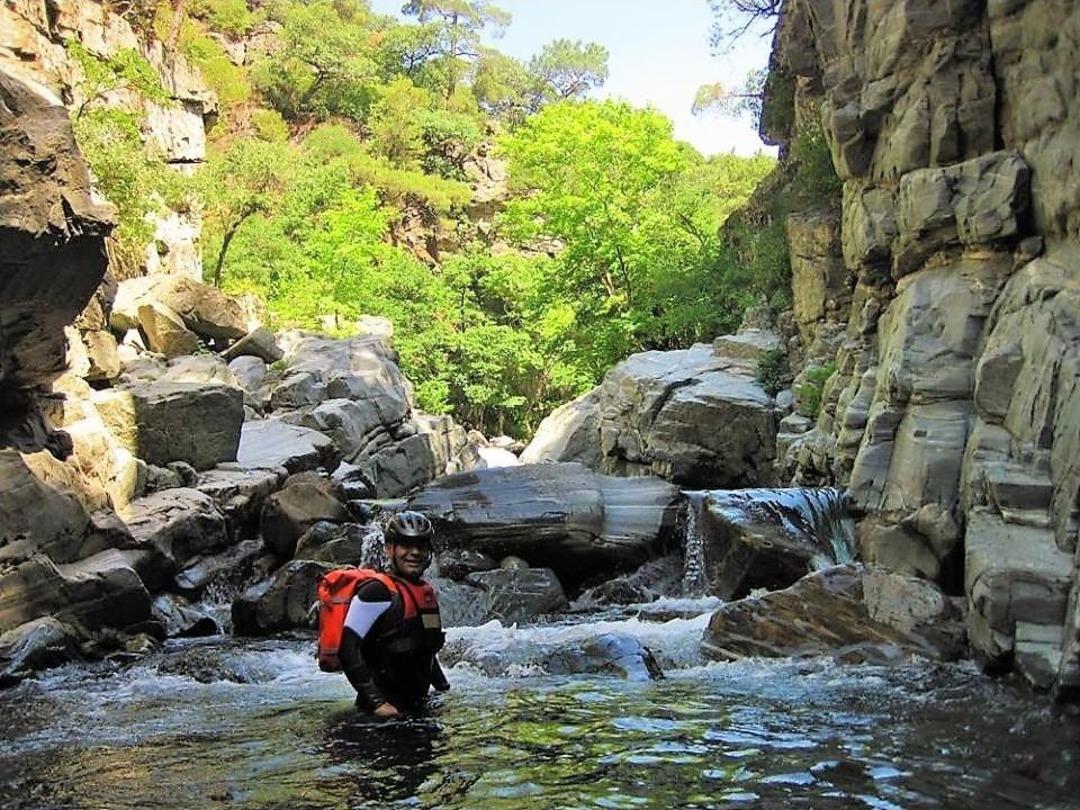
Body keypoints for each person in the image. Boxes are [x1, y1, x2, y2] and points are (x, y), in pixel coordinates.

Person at [339, 510, 450, 717]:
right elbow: (347, 648)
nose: (415, 552)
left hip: (418, 709)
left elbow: (425, 650)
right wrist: (378, 704)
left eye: (421, 546)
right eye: (406, 545)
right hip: (378, 717)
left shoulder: (425, 595)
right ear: (389, 549)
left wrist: (443, 687)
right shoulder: (376, 592)